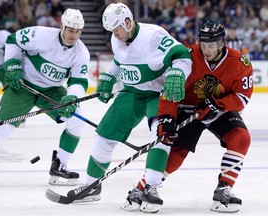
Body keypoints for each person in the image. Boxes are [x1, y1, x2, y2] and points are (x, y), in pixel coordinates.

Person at [64, 2, 192, 209]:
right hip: (132, 92)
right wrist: (109, 76)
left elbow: (182, 55)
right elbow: (120, 61)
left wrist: (178, 72)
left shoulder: (153, 35)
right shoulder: (118, 39)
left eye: (116, 30)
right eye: (112, 31)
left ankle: (150, 186)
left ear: (127, 22)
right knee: (104, 134)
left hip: (158, 94)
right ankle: (91, 186)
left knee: (160, 133)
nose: (114, 35)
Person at [123, 19, 253, 213]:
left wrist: (218, 104)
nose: (206, 50)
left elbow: (242, 97)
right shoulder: (189, 57)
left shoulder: (239, 62)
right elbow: (170, 89)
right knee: (176, 154)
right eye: (204, 45)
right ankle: (142, 188)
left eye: (211, 46)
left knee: (241, 138)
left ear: (221, 44)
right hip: (188, 108)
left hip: (218, 109)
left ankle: (224, 188)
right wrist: (166, 118)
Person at [0, 8, 90, 186]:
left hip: (51, 90)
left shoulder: (81, 52)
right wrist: (13, 65)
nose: (74, 35)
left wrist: (71, 98)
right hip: (23, 85)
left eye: (78, 31)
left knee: (77, 118)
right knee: (2, 128)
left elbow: (78, 81)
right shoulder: (41, 35)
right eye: (71, 30)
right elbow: (13, 39)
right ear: (62, 26)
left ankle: (59, 167)